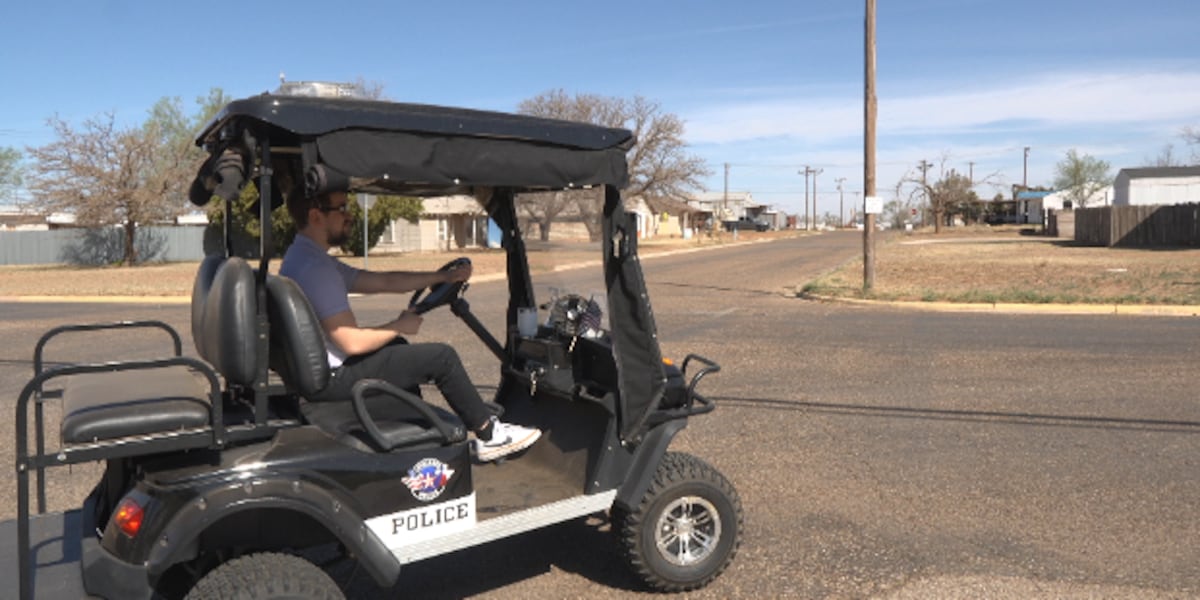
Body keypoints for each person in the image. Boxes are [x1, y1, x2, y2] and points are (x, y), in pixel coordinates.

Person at [280, 189, 540, 462]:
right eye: (341, 208)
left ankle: (418, 432)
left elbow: (384, 282)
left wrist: (442, 276)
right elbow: (351, 342)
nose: (349, 215)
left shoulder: (304, 257)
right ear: (315, 216)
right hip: (332, 379)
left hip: (315, 372)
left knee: (398, 349)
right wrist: (399, 324)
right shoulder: (318, 271)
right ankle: (490, 435)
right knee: (441, 358)